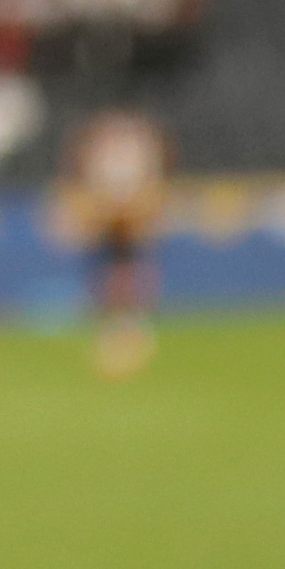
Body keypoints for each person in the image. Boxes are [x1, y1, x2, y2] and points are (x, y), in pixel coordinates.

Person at [70, 105, 169, 379]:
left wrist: (137, 208)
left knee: (132, 266)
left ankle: (134, 323)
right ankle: (113, 323)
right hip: (108, 216)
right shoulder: (102, 151)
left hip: (131, 214)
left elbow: (151, 182)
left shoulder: (138, 149)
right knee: (109, 268)